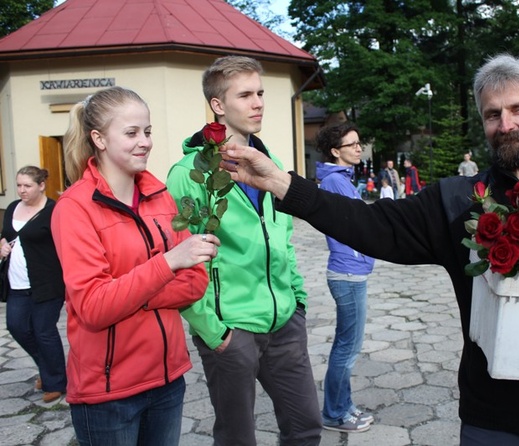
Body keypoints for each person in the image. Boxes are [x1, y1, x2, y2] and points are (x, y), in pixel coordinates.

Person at [218, 53, 519, 445]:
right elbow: (371, 225)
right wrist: (279, 182)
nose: (505, 124)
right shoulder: (456, 200)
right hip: (491, 418)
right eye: (493, 114)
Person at [165, 55, 322, 446]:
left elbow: (284, 236)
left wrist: (296, 302)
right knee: (237, 438)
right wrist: (214, 331)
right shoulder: (189, 174)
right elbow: (182, 260)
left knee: (306, 428)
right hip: (231, 331)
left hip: (284, 323)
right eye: (246, 95)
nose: (258, 103)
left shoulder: (273, 164)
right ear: (218, 105)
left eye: (261, 93)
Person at [51, 86, 215, 445]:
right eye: (131, 133)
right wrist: (168, 263)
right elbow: (93, 308)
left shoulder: (161, 198)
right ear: (99, 139)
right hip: (108, 393)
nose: (145, 142)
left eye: (148, 131)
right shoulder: (74, 208)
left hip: (167, 379)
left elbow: (195, 283)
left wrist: (127, 294)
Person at [314, 122, 376, 433]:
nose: (358, 148)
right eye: (351, 144)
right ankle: (335, 413)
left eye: (358, 142)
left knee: (347, 345)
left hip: (352, 270)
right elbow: (354, 224)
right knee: (347, 348)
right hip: (347, 272)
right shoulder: (337, 182)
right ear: (335, 152)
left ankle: (344, 406)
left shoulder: (340, 179)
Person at [0, 166, 66, 403]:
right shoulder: (11, 209)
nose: (21, 190)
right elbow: (6, 234)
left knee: (44, 331)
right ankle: (49, 368)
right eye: (18, 185)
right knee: (17, 327)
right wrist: (2, 244)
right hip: (16, 283)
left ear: (41, 185)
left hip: (46, 282)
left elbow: (65, 243)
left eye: (27, 185)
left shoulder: (54, 210)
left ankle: (56, 382)